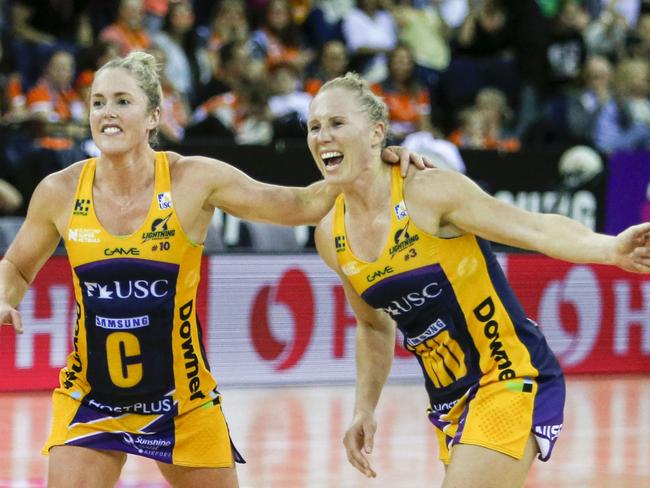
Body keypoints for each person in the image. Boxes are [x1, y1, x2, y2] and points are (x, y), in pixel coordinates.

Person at [0, 52, 428, 487]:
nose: (106, 112)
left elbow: (301, 204)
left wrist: (372, 161)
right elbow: (16, 266)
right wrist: (4, 296)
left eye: (122, 101)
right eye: (97, 102)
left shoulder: (193, 179)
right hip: (91, 400)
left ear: (153, 116)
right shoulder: (59, 190)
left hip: (183, 402)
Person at [307, 72, 650, 487]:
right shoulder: (330, 234)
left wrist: (609, 248)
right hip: (449, 401)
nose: (322, 135)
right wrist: (364, 409)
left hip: (507, 374)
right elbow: (372, 324)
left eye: (337, 123)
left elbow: (534, 229)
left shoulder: (428, 191)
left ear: (377, 132)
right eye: (314, 126)